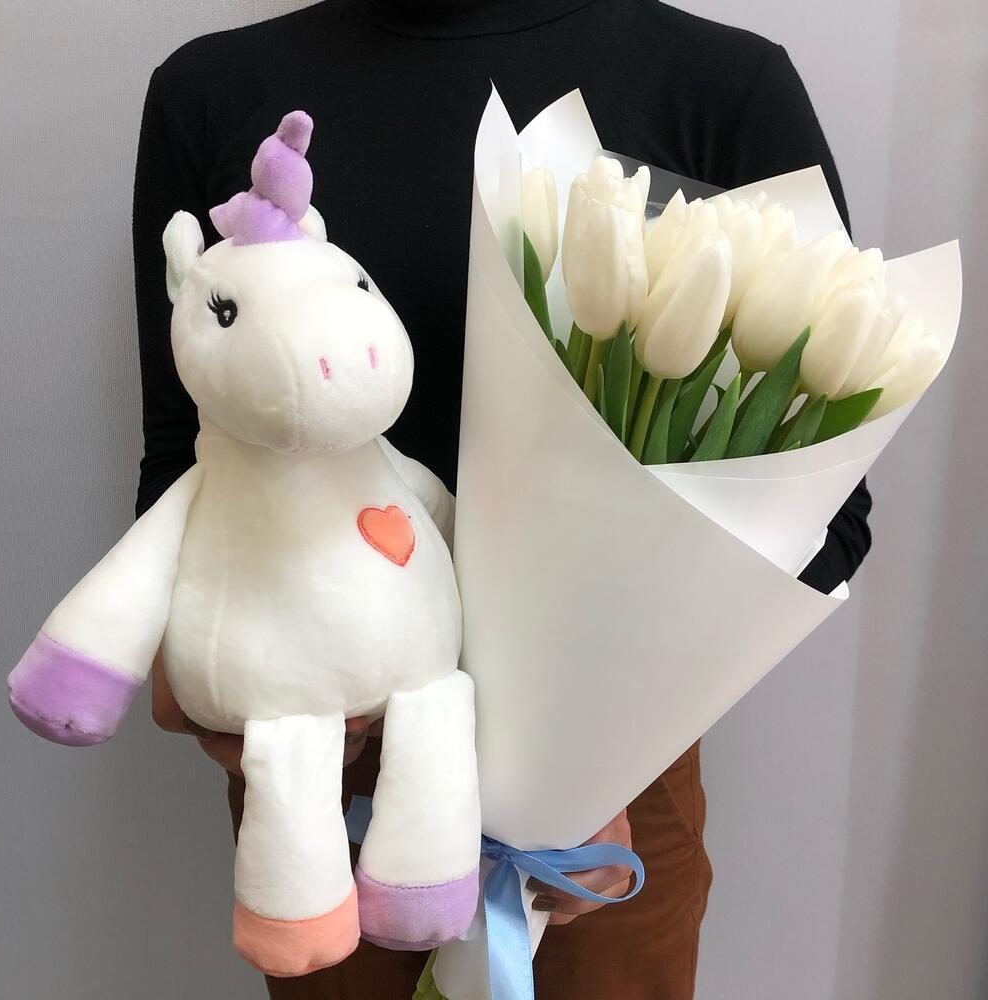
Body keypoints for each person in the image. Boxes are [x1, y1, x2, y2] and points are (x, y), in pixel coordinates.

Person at [133, 2, 872, 997]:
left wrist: (591, 739)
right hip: (326, 776)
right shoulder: (215, 92)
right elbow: (182, 467)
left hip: (611, 794)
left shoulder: (718, 90)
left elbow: (824, 509)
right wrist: (213, 683)